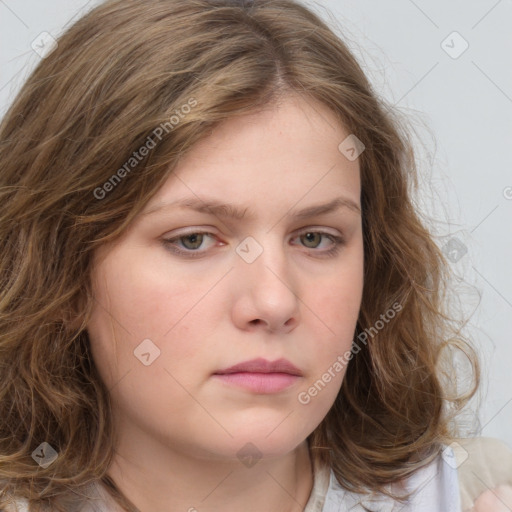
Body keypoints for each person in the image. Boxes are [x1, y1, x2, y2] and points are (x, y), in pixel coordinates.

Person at [0, 1, 511, 511]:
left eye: (315, 238)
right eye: (194, 239)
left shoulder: (480, 489)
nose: (274, 300)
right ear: (59, 271)